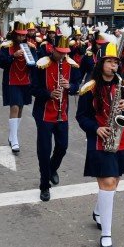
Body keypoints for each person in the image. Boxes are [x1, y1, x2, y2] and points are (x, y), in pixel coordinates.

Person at [76, 35, 124, 247]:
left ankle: (98, 210)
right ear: (101, 63)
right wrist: (96, 129)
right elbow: (81, 117)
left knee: (114, 182)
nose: (114, 65)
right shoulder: (89, 88)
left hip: (121, 139)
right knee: (109, 181)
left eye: (116, 62)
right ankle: (107, 234)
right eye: (110, 61)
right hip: (100, 140)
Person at [32, 23, 81, 201]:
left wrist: (71, 86)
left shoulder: (71, 66)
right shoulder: (41, 65)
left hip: (62, 114)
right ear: (52, 49)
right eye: (60, 52)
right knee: (44, 150)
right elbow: (33, 88)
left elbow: (77, 86)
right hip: (44, 114)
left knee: (63, 147)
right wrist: (48, 93)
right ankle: (44, 185)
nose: (63, 55)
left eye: (65, 52)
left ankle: (52, 169)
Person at [0, 15, 35, 153]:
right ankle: (15, 139)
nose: (21, 38)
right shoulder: (6, 46)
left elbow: (34, 64)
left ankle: (12, 135)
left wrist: (30, 59)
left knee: (20, 108)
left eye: (23, 35)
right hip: (11, 81)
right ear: (14, 34)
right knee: (14, 107)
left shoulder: (30, 47)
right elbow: (1, 63)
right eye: (19, 35)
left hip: (25, 81)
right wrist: (13, 56)